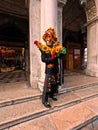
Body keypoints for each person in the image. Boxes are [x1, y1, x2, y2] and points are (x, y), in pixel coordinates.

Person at [34, 28, 66, 108]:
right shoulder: (44, 49)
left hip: (56, 69)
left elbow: (60, 56)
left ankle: (51, 95)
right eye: (48, 39)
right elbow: (43, 59)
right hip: (49, 70)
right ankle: (44, 100)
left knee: (54, 84)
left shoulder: (55, 48)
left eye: (51, 40)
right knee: (47, 85)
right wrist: (52, 58)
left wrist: (61, 53)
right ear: (45, 39)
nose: (49, 41)